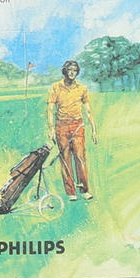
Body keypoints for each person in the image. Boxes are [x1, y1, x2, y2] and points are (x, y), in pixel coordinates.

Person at [45, 60, 96, 201]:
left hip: (77, 126)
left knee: (80, 158)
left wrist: (94, 130)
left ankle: (84, 190)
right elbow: (50, 109)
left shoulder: (82, 88)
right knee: (65, 159)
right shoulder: (56, 87)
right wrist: (51, 128)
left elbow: (88, 110)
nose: (72, 72)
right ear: (65, 71)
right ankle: (71, 192)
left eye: (75, 70)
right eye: (70, 70)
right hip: (61, 127)